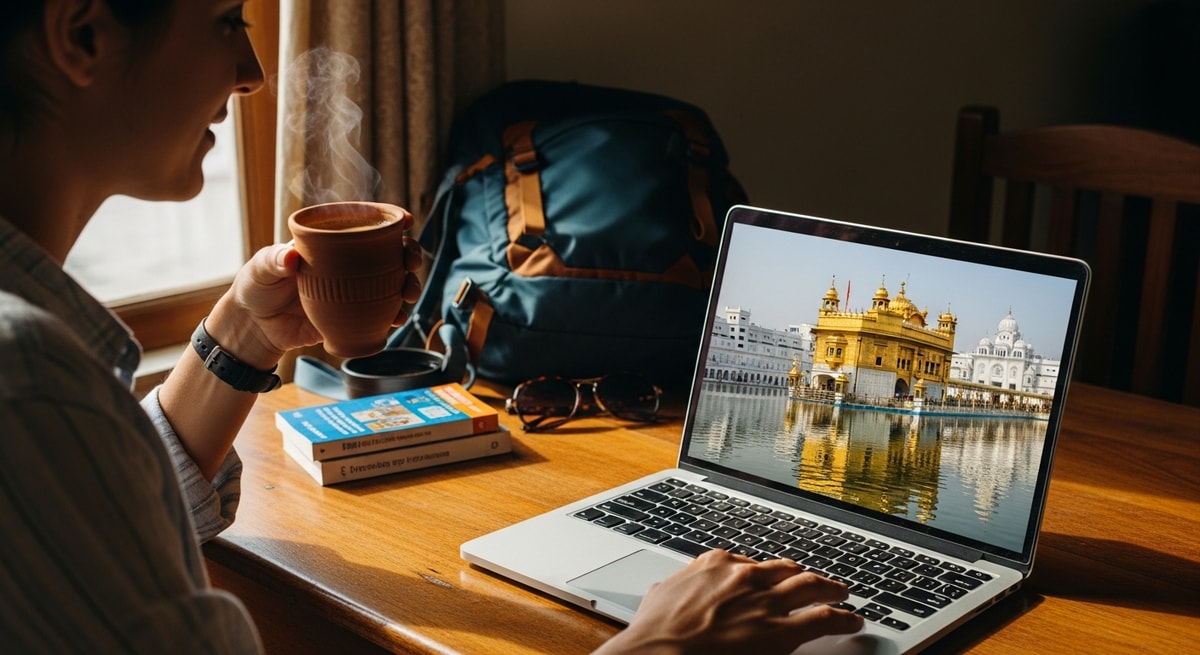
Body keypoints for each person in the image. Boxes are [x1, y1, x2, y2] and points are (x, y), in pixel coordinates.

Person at [0, 1, 863, 653]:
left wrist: (246, 335)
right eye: (226, 20)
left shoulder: (41, 397)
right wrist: (657, 646)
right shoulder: (32, 383)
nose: (254, 68)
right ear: (82, 37)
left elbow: (107, 508)